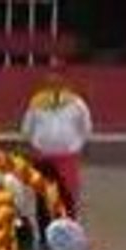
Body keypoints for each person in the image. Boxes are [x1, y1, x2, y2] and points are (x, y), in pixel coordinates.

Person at [21, 73, 91, 227]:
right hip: (45, 155)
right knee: (44, 196)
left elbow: (86, 127)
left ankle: (68, 231)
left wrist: (77, 145)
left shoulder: (77, 103)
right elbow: (27, 129)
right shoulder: (38, 104)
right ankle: (47, 233)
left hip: (64, 156)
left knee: (66, 194)